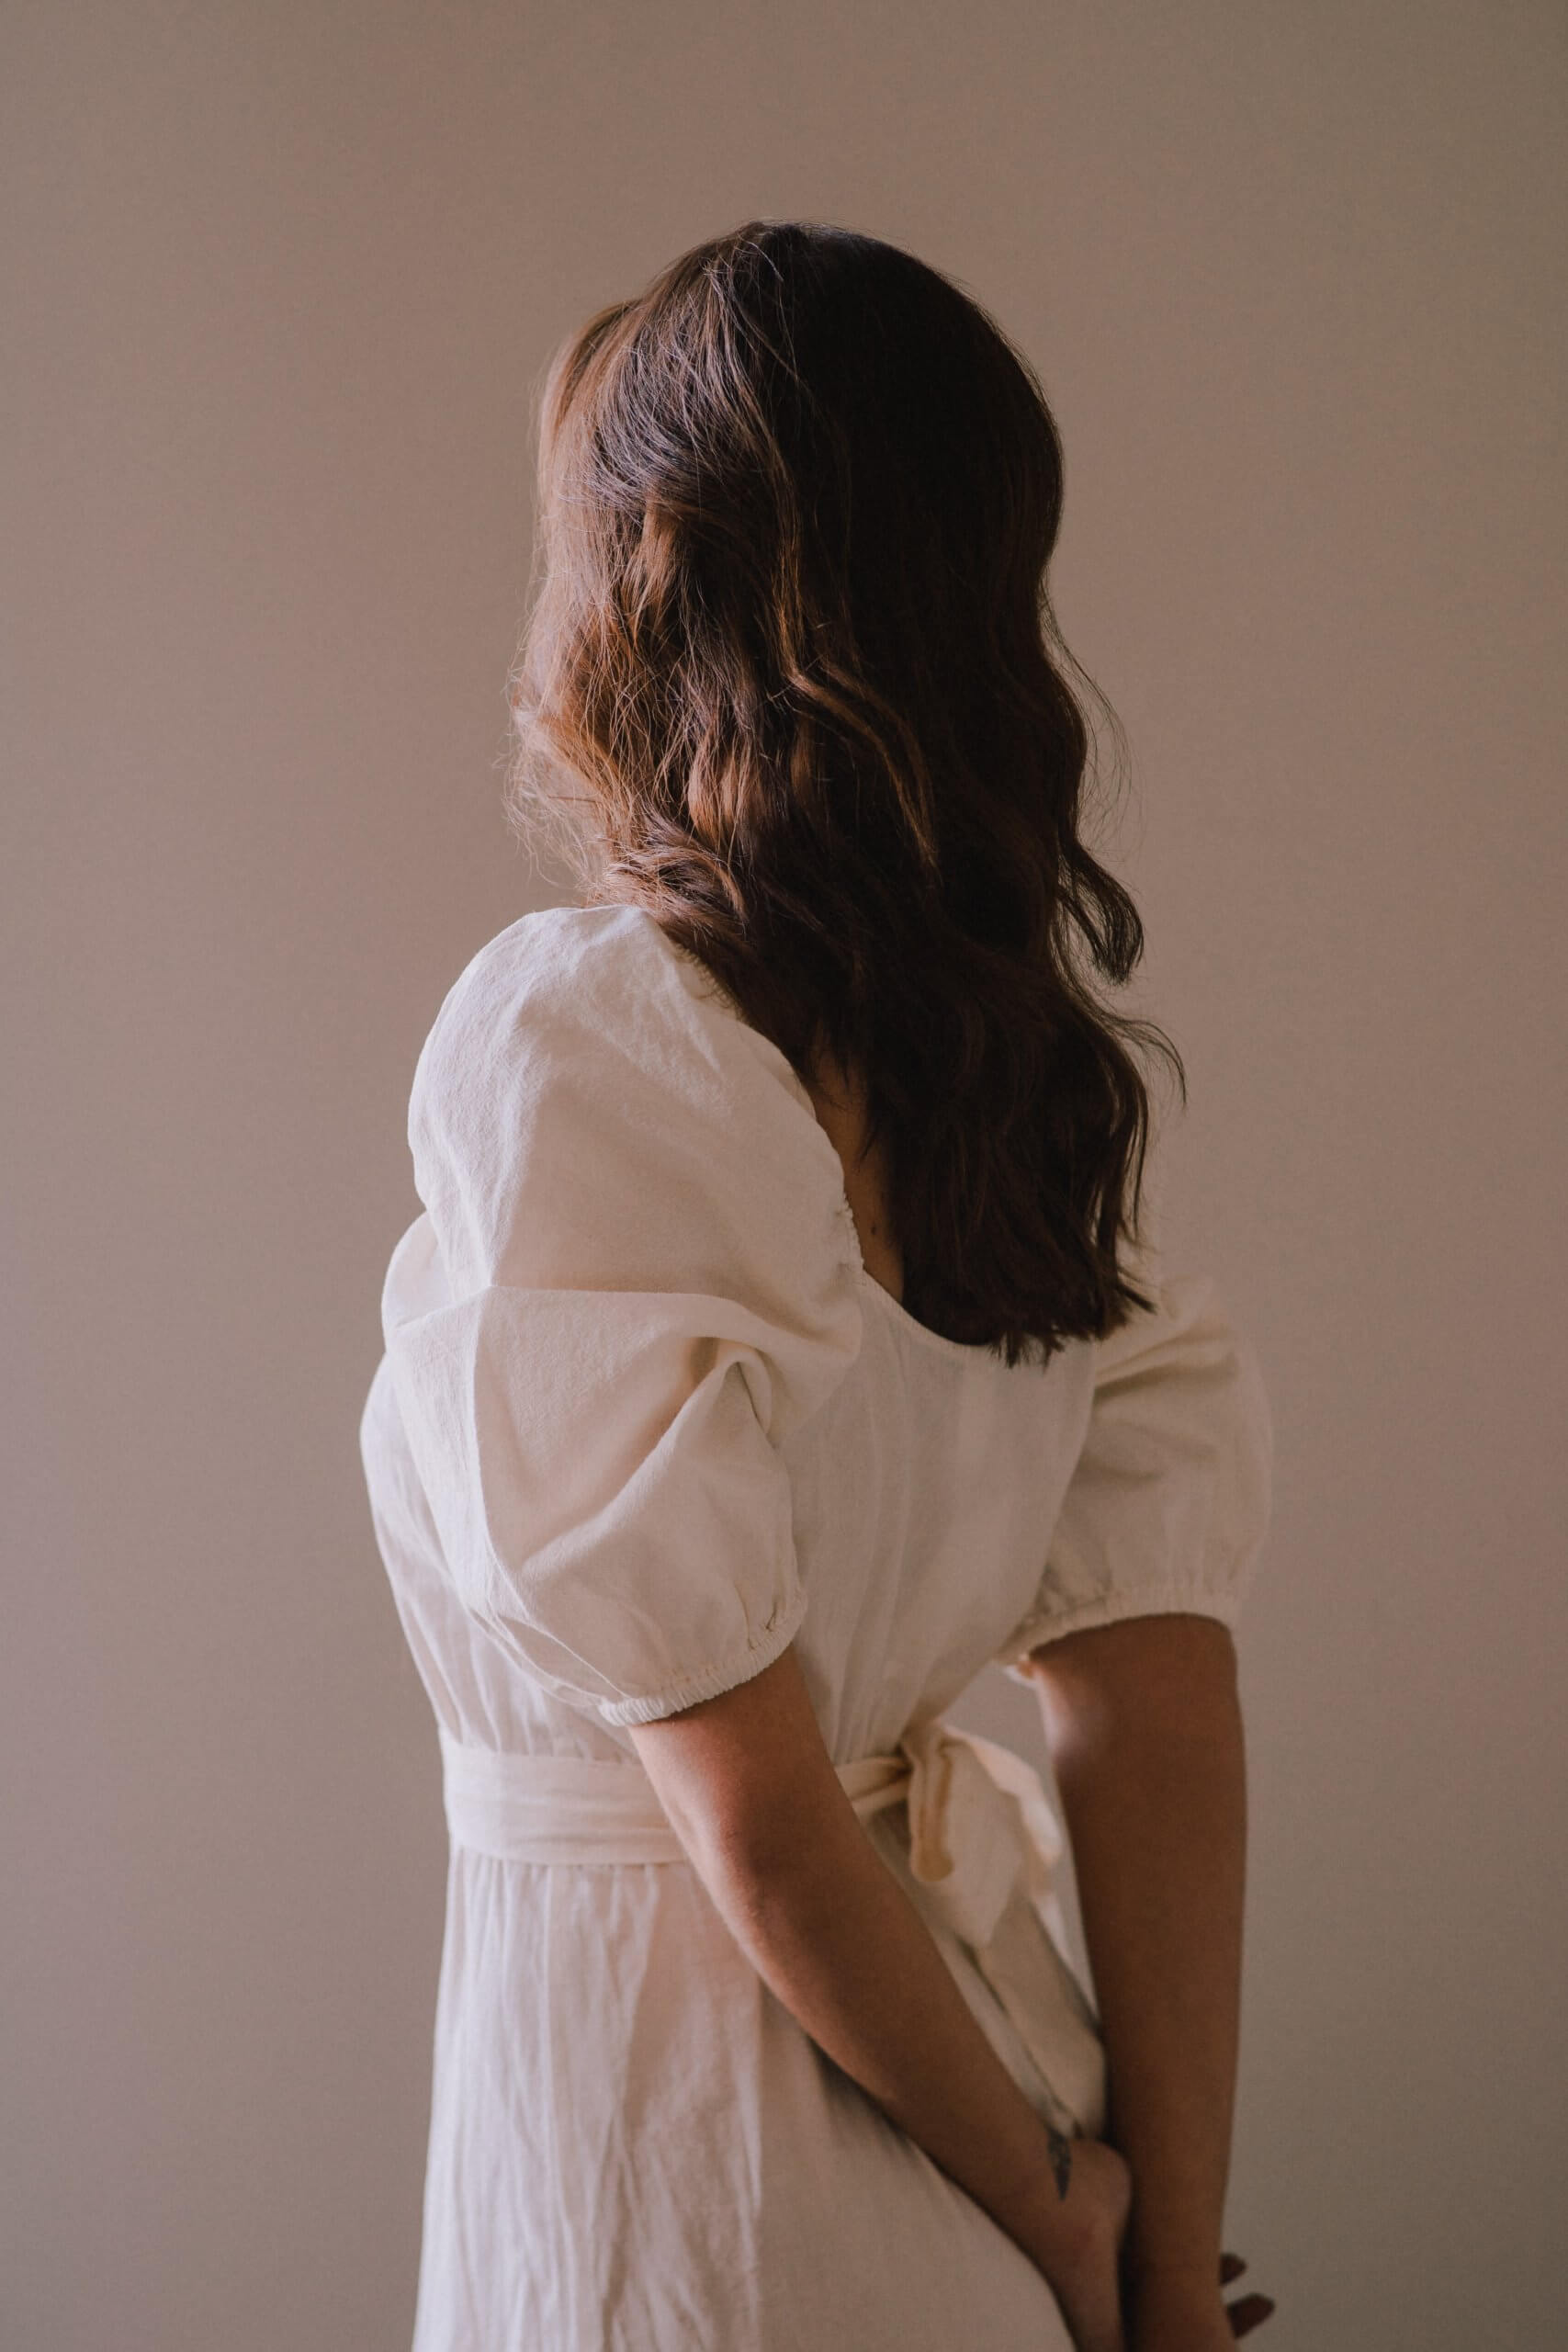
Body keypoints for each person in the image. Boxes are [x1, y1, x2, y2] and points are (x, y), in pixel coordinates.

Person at [359, 220, 1277, 2352]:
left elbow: (757, 1820)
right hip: (989, 2125)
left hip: (674, 2185)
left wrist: (1061, 2217)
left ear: (643, 582)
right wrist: (1150, 2259)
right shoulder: (1018, 1095)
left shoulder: (591, 1047)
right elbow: (1158, 1717)